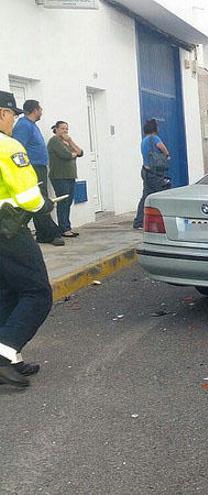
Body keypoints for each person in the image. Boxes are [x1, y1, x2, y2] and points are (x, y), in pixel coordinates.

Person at [0, 91, 53, 388]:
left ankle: (12, 358)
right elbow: (27, 195)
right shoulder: (7, 146)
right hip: (8, 229)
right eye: (12, 115)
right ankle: (4, 355)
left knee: (8, 292)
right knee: (37, 293)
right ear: (1, 113)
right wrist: (44, 205)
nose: (14, 120)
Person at [12, 100, 64, 246]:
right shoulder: (24, 126)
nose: (42, 111)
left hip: (39, 167)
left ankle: (43, 233)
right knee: (39, 198)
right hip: (32, 168)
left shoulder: (32, 125)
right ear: (35, 110)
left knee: (41, 198)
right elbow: (17, 147)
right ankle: (47, 233)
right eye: (40, 108)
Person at [133, 118, 171, 230]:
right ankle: (165, 220)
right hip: (155, 173)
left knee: (145, 197)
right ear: (154, 128)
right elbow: (162, 148)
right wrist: (167, 155)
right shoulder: (155, 138)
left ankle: (138, 222)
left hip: (145, 172)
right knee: (163, 194)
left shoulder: (144, 141)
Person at [47, 121, 83, 237]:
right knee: (63, 202)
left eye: (66, 129)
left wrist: (70, 141)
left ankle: (67, 226)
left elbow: (80, 152)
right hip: (59, 176)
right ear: (56, 129)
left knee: (68, 202)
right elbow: (66, 155)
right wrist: (72, 154)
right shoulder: (54, 141)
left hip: (70, 176)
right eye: (62, 128)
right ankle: (63, 228)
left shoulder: (67, 142)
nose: (65, 131)